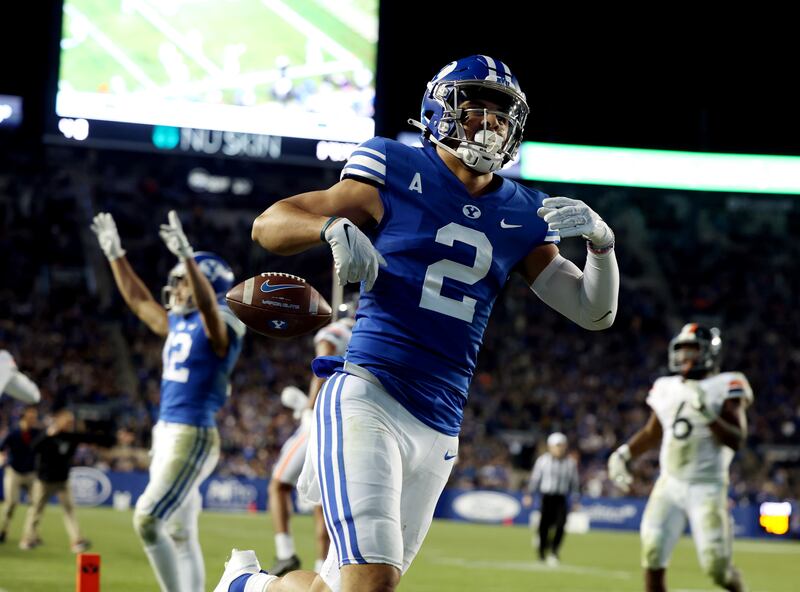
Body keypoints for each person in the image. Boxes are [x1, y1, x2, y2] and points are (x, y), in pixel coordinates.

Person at [214, 54, 619, 592]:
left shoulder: (525, 212)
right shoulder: (395, 167)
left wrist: (602, 246)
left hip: (440, 424)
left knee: (340, 588)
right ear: (441, 109)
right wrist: (332, 226)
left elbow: (594, 311)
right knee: (371, 581)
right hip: (370, 393)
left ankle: (246, 585)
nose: (491, 126)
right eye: (477, 111)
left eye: (502, 117)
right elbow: (269, 225)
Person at [91, 210, 246, 592]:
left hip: (192, 434)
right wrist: (115, 255)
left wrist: (190, 259)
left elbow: (210, 310)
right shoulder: (179, 321)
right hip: (168, 433)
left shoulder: (224, 322)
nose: (174, 289)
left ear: (203, 285)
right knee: (178, 532)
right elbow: (139, 301)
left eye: (182, 282)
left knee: (146, 519)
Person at [607, 324, 752, 592]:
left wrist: (708, 414)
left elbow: (736, 439)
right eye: (682, 350)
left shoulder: (727, 383)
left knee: (717, 568)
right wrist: (624, 453)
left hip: (707, 486)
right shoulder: (666, 386)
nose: (685, 357)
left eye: (692, 350)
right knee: (652, 553)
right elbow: (653, 431)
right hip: (670, 484)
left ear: (709, 353)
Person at [269, 309, 355, 576]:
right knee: (324, 504)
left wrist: (310, 404)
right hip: (351, 422)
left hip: (321, 420)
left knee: (278, 484)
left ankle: (285, 553)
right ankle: (323, 570)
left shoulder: (337, 331)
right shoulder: (371, 334)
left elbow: (325, 352)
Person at [19, 407, 113, 552]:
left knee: (70, 511)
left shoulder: (72, 436)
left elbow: (92, 438)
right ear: (59, 420)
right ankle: (27, 539)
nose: (70, 424)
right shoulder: (47, 434)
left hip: (62, 481)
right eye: (67, 421)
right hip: (44, 480)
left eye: (71, 421)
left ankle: (77, 541)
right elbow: (33, 447)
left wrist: (109, 434)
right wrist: (47, 435)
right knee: (36, 510)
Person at [523, 432, 579, 566]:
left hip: (561, 497)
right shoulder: (543, 461)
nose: (559, 449)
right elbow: (535, 479)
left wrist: (576, 500)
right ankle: (542, 553)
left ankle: (554, 551)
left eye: (562, 446)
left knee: (561, 525)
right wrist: (529, 494)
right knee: (544, 526)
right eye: (557, 446)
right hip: (547, 497)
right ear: (550, 446)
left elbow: (575, 483)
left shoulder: (570, 463)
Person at [0, 406, 40, 543]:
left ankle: (30, 535)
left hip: (32, 473)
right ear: (23, 417)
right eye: (31, 417)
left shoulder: (37, 433)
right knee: (11, 503)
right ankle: (3, 529)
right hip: (14, 471)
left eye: (34, 417)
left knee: (36, 504)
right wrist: (2, 460)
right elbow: (1, 448)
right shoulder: (13, 432)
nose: (33, 419)